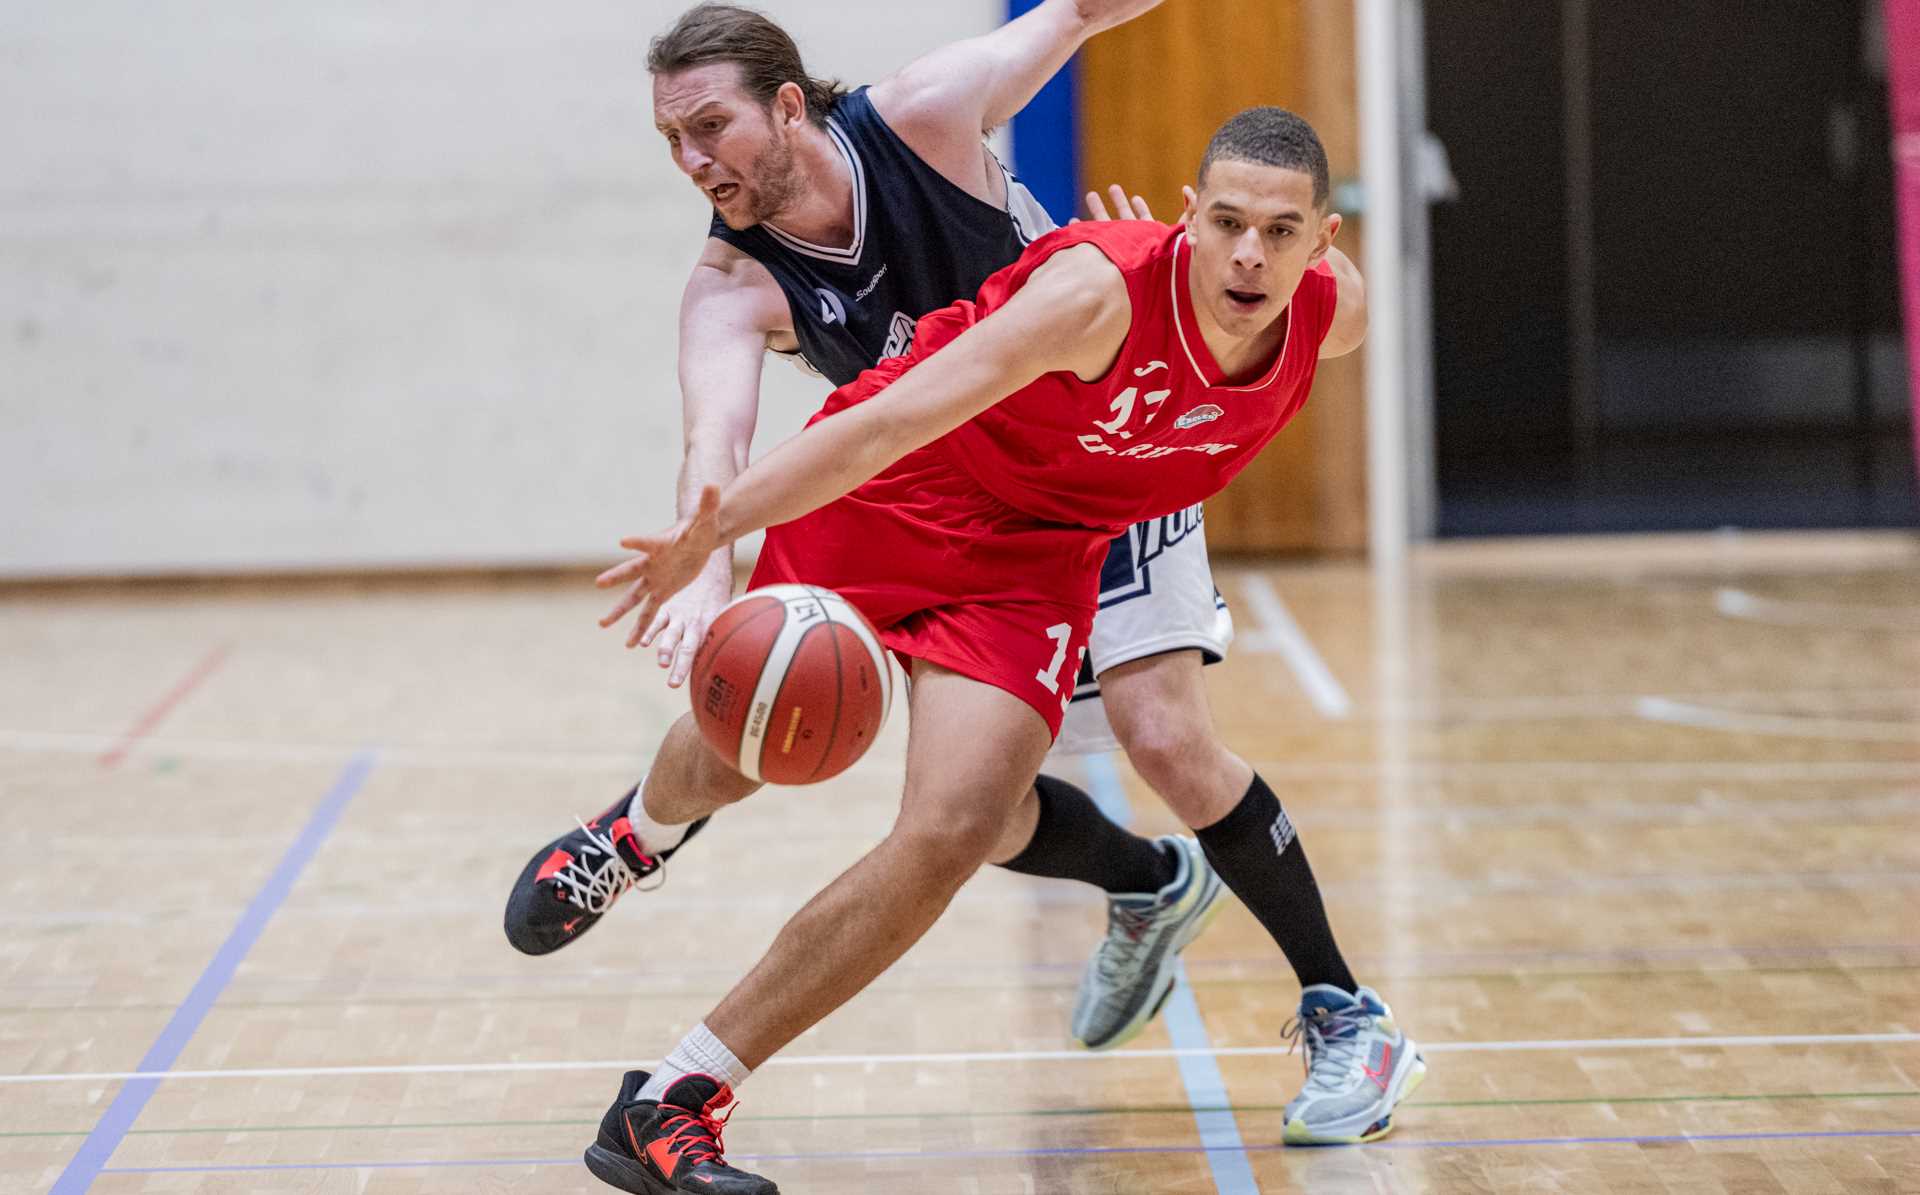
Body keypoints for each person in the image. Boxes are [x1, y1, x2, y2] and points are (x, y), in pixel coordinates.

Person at [576, 106, 1425, 1195]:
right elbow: (881, 427)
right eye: (1225, 223)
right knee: (738, 739)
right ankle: (637, 830)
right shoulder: (1096, 298)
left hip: (1036, 554)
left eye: (1279, 230)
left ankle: (671, 1100)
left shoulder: (1332, 318)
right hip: (904, 487)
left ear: (1325, 242)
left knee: (954, 826)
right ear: (1188, 219)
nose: (1249, 254)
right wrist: (715, 531)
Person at [506, 0, 1232, 1062]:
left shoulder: (929, 115)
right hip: (907, 485)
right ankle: (631, 837)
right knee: (749, 709)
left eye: (709, 126)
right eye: (672, 139)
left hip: (1057, 483)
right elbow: (715, 435)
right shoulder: (732, 283)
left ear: (789, 106)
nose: (690, 159)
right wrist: (703, 566)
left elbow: (1075, 14)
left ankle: (1157, 883)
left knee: (969, 810)